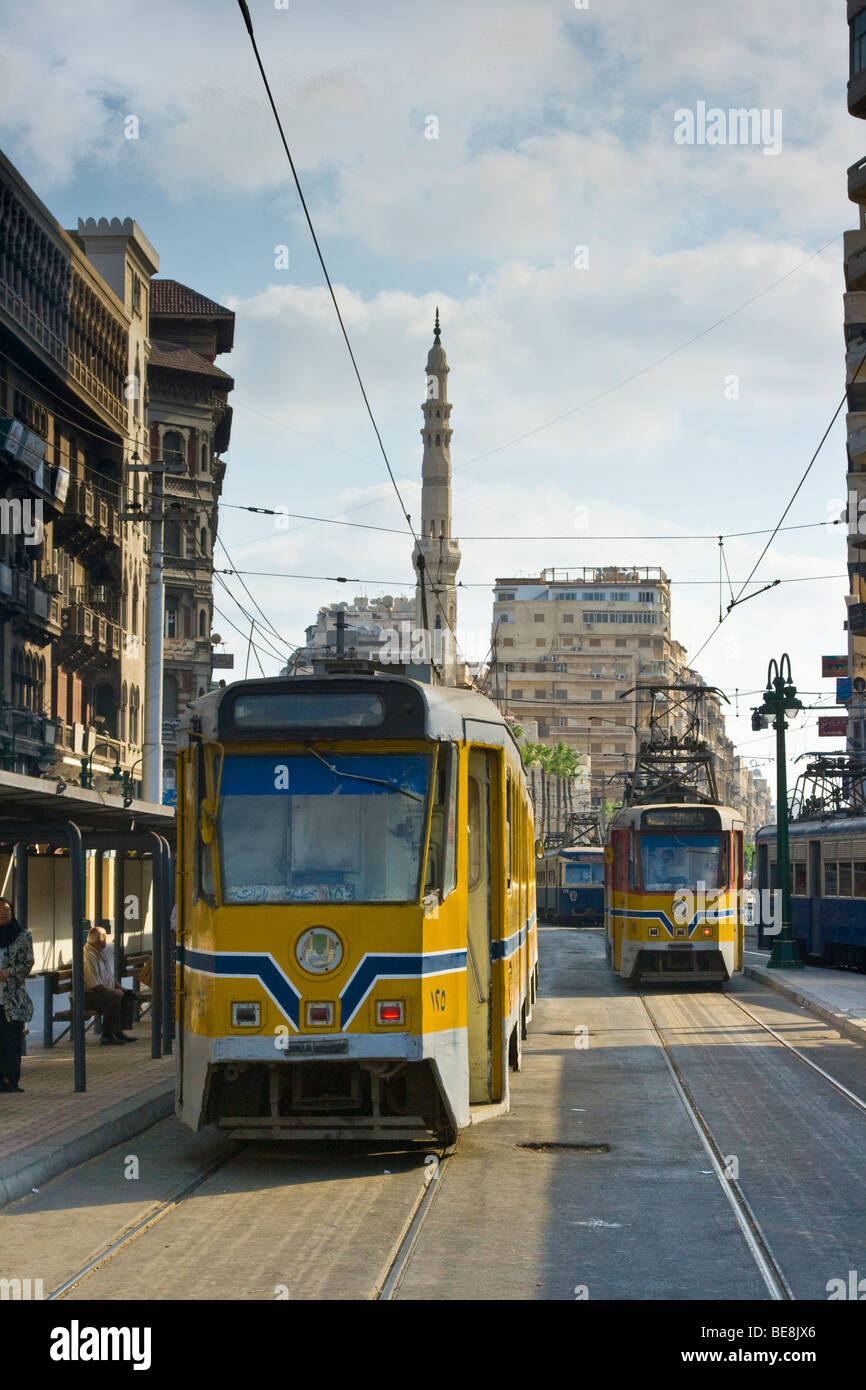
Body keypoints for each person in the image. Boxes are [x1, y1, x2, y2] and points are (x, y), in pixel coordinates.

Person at [0, 896, 34, 1093]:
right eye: (0, 911)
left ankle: (10, 1080)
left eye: (7, 910)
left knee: (11, 1041)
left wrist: (9, 973)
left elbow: (27, 964)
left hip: (12, 999)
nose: (4, 913)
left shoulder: (23, 936)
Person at [83, 925, 137, 1045]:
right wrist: (112, 991)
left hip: (100, 992)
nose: (106, 941)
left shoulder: (99, 952)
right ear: (100, 940)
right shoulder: (88, 956)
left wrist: (122, 989)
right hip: (87, 996)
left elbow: (109, 976)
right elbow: (94, 985)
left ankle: (118, 1031)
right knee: (115, 996)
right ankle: (107, 1035)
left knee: (127, 995)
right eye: (105, 938)